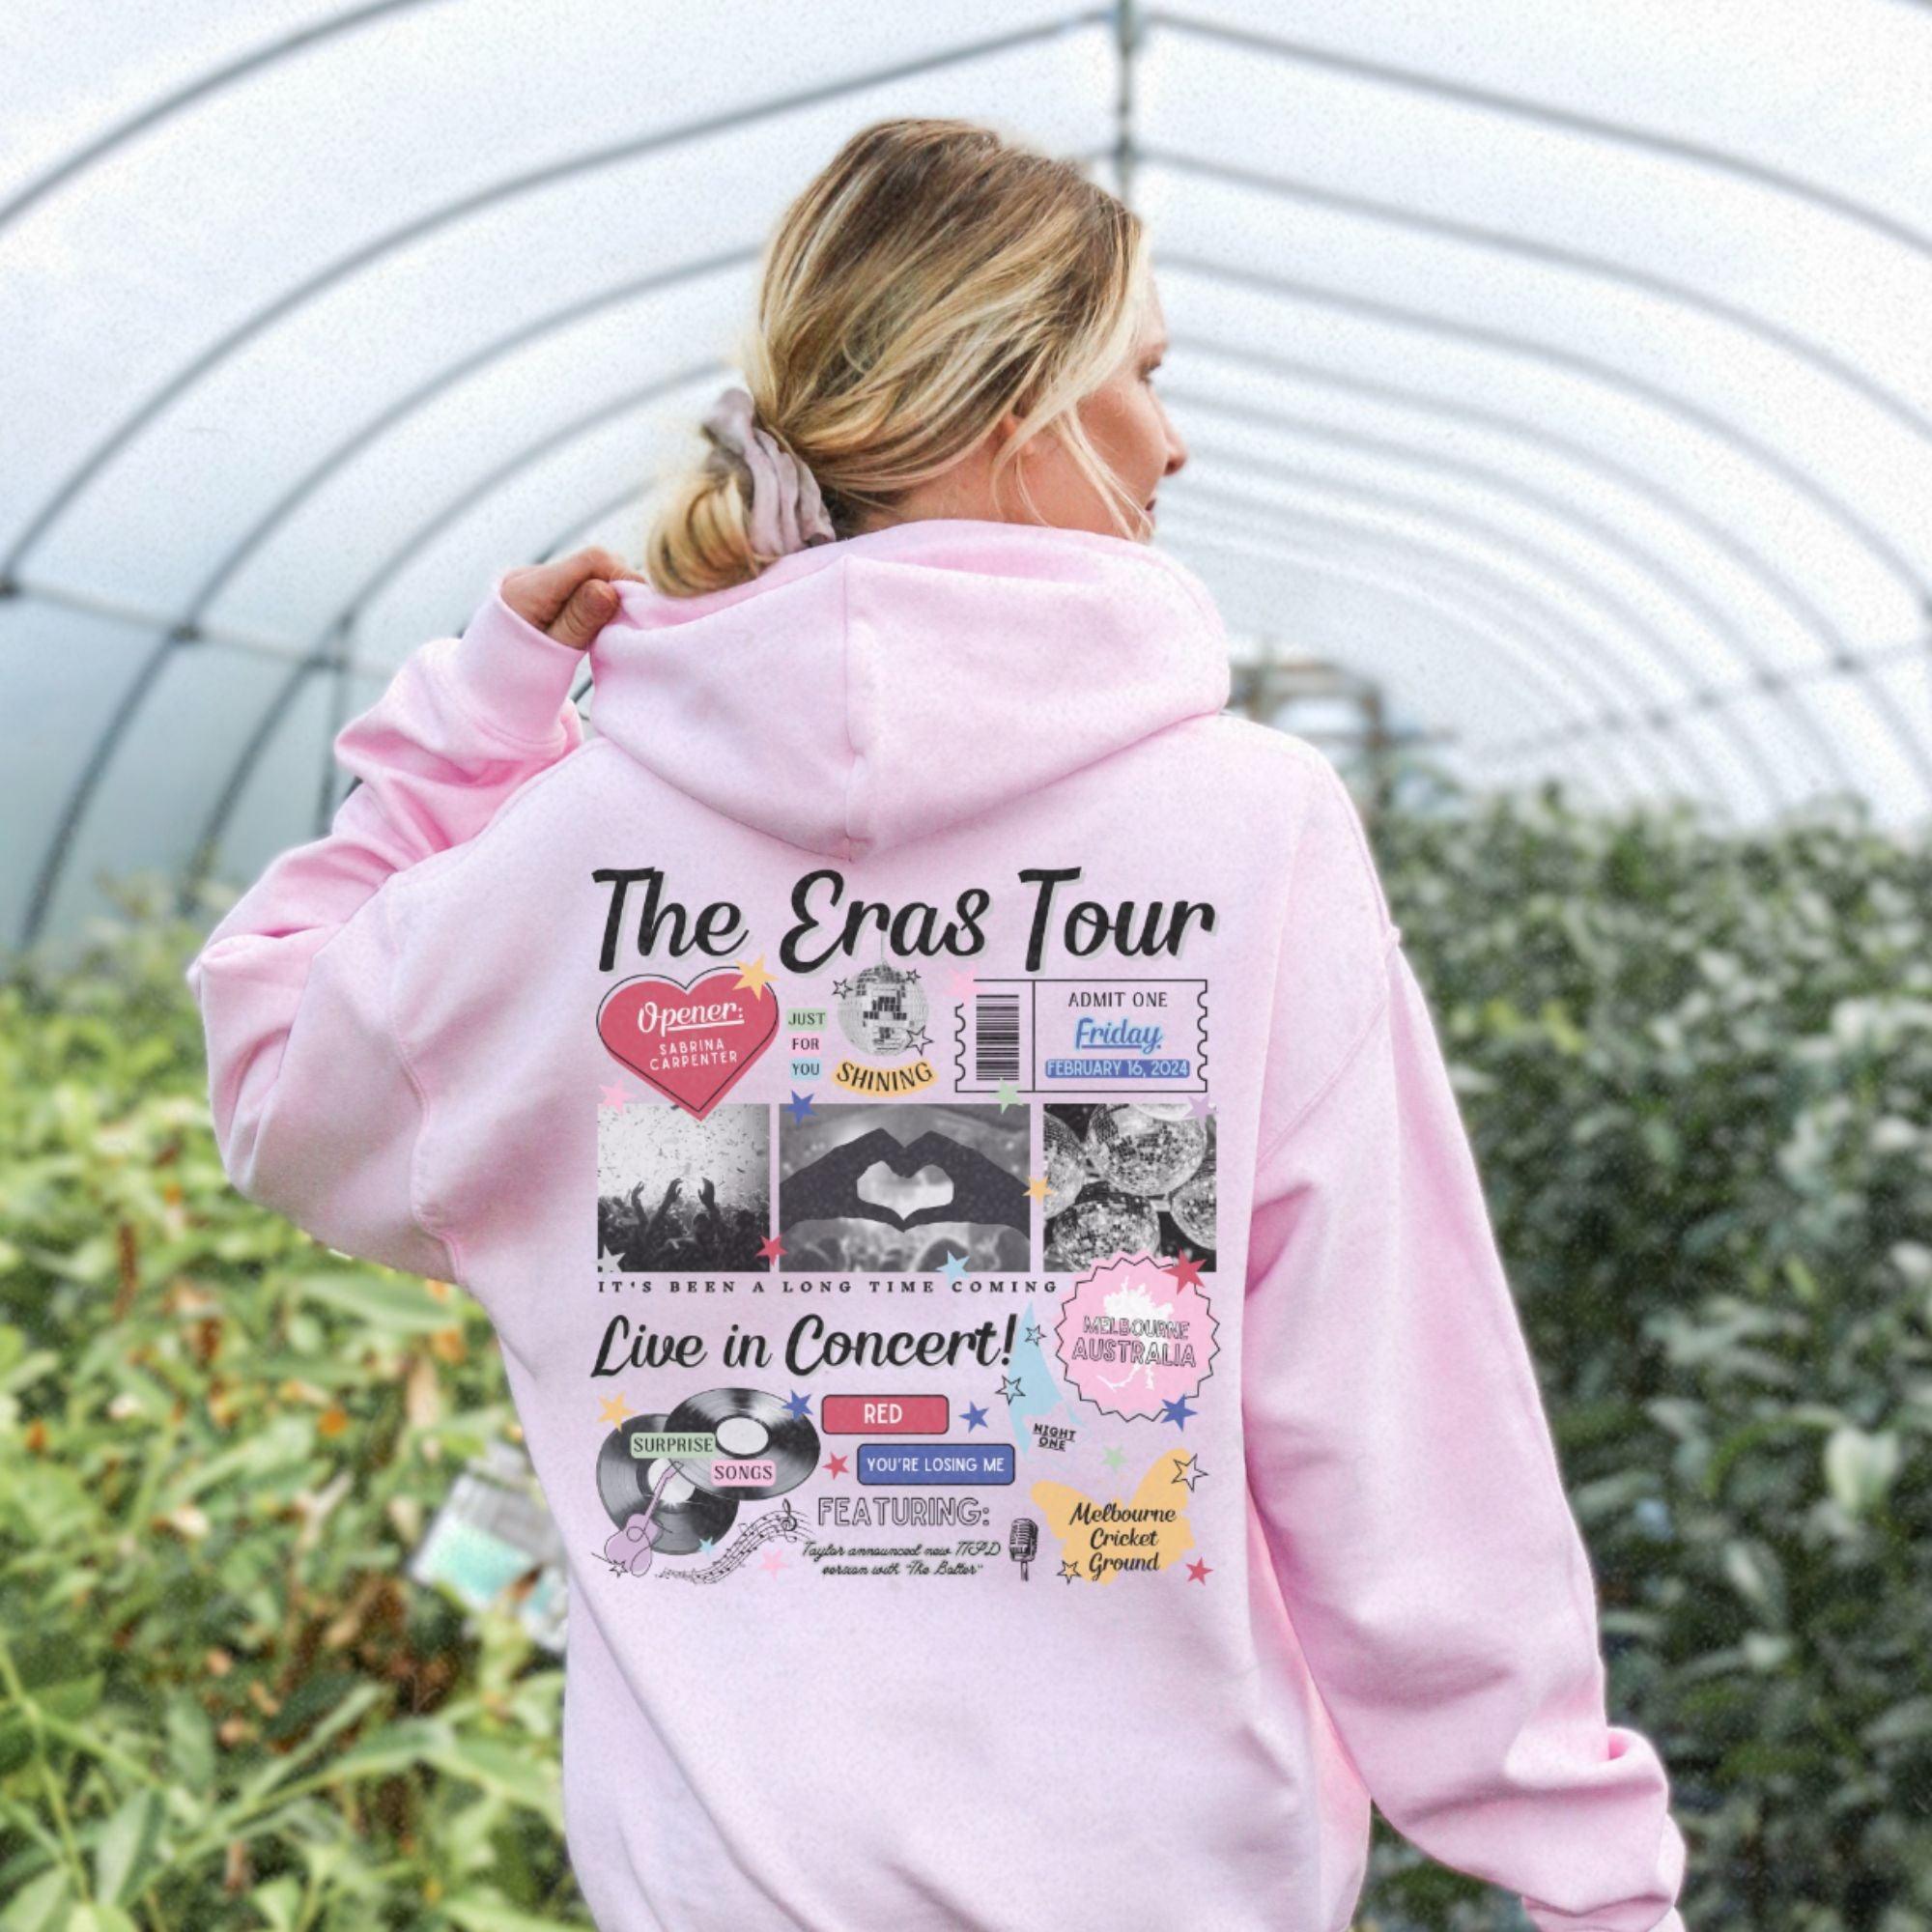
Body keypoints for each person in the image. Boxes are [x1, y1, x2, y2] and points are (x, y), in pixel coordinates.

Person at [189, 117, 1688, 1932]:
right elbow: (1387, 1407)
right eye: (1143, 376)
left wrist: (468, 730)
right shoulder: (1249, 829)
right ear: (1013, 402)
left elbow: (279, 1087)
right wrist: (1588, 1878)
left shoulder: (572, 849)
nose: (1177, 436)